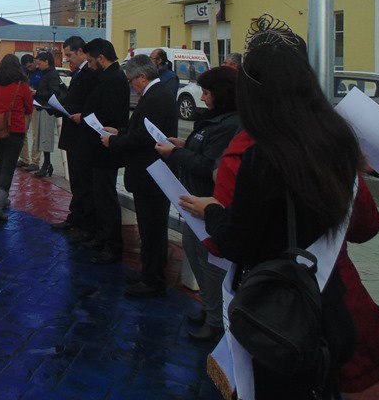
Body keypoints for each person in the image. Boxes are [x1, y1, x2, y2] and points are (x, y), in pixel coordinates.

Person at [180, 22, 358, 398]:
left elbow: (237, 241)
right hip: (324, 296)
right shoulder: (337, 137)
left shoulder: (265, 154)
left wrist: (212, 210)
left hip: (276, 309)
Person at [154, 65, 239, 341]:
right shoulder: (214, 119)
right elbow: (201, 150)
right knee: (194, 253)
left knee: (211, 265)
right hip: (194, 202)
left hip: (209, 204)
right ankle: (208, 307)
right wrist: (183, 144)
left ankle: (216, 320)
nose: (202, 98)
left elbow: (208, 165)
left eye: (206, 92)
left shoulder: (230, 125)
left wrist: (177, 153)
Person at [102, 54, 178, 297]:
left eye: (131, 80)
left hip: (152, 174)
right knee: (148, 228)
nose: (131, 85)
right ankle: (149, 271)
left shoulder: (156, 98)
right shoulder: (156, 95)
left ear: (143, 77)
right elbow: (140, 129)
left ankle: (153, 279)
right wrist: (120, 131)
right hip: (149, 173)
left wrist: (114, 141)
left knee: (153, 229)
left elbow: (143, 138)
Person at [71, 38, 130, 264]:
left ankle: (112, 245)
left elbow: (109, 115)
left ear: (101, 58)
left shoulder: (114, 79)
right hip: (96, 148)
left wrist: (85, 119)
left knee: (106, 198)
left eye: (91, 60)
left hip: (106, 149)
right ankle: (100, 236)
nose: (89, 64)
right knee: (97, 195)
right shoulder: (105, 77)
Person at [50, 36, 99, 235]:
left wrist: (66, 108)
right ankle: (76, 218)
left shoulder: (90, 74)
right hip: (74, 134)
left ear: (80, 52)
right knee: (76, 183)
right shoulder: (80, 72)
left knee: (83, 183)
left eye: (69, 55)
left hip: (82, 136)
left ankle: (85, 224)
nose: (67, 59)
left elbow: (86, 104)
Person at [0, 53, 33, 222]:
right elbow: (29, 107)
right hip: (15, 131)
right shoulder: (21, 85)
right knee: (8, 168)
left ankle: (1, 198)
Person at [30, 51, 62, 178]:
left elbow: (53, 92)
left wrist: (36, 93)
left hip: (48, 109)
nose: (38, 66)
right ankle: (47, 163)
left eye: (40, 63)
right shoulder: (45, 73)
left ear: (46, 62)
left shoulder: (52, 74)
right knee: (42, 137)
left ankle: (47, 164)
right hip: (41, 107)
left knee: (46, 138)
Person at [18, 54, 42, 170]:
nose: (30, 68)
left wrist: (36, 91)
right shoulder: (24, 73)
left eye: (31, 65)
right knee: (22, 131)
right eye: (27, 67)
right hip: (26, 105)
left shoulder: (41, 72)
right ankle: (24, 158)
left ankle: (35, 161)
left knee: (36, 133)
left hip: (37, 105)